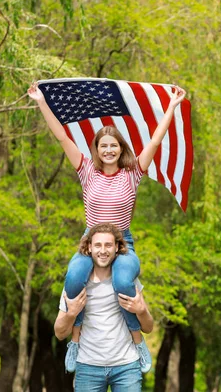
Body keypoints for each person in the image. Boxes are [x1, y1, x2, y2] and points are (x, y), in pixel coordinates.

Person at [28, 80, 186, 373]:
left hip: (122, 241)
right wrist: (41, 102)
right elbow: (62, 137)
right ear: (97, 150)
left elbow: (154, 140)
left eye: (114, 146)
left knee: (124, 283)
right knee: (74, 278)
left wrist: (172, 107)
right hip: (91, 241)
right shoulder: (86, 170)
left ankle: (137, 342)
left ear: (120, 149)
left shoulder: (133, 173)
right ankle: (75, 340)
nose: (109, 150)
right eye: (104, 146)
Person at [54, 223, 154, 392]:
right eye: (98, 245)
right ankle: (74, 346)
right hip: (88, 367)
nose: (103, 250)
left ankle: (139, 345)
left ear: (117, 248)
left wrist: (141, 310)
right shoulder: (75, 285)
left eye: (108, 245)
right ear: (89, 248)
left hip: (126, 366)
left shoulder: (128, 281)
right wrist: (71, 313)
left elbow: (149, 327)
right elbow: (59, 332)